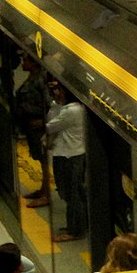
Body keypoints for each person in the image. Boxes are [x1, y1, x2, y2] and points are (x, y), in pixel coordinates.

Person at [46, 80, 87, 242]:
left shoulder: (71, 111)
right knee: (75, 193)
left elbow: (50, 126)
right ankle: (79, 225)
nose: (57, 92)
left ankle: (75, 230)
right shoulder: (74, 108)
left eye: (59, 89)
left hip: (69, 156)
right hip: (72, 154)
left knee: (72, 195)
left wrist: (55, 104)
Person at [16, 54, 51, 207]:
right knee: (39, 157)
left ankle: (46, 194)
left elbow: (49, 103)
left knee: (44, 160)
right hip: (30, 125)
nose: (22, 63)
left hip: (38, 126)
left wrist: (44, 122)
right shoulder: (33, 77)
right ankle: (43, 190)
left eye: (25, 60)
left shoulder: (40, 79)